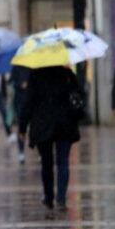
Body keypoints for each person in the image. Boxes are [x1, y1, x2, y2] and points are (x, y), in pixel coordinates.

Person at [18, 65, 83, 211]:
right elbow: (80, 94)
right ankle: (61, 199)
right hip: (65, 123)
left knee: (46, 163)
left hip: (43, 124)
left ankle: (49, 198)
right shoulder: (67, 74)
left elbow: (28, 102)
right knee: (63, 161)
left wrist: (22, 127)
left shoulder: (36, 74)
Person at [9, 65, 30, 165]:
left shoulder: (33, 66)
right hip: (20, 102)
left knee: (36, 126)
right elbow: (11, 81)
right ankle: (21, 151)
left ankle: (40, 151)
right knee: (22, 127)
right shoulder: (16, 67)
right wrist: (20, 84)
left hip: (32, 101)